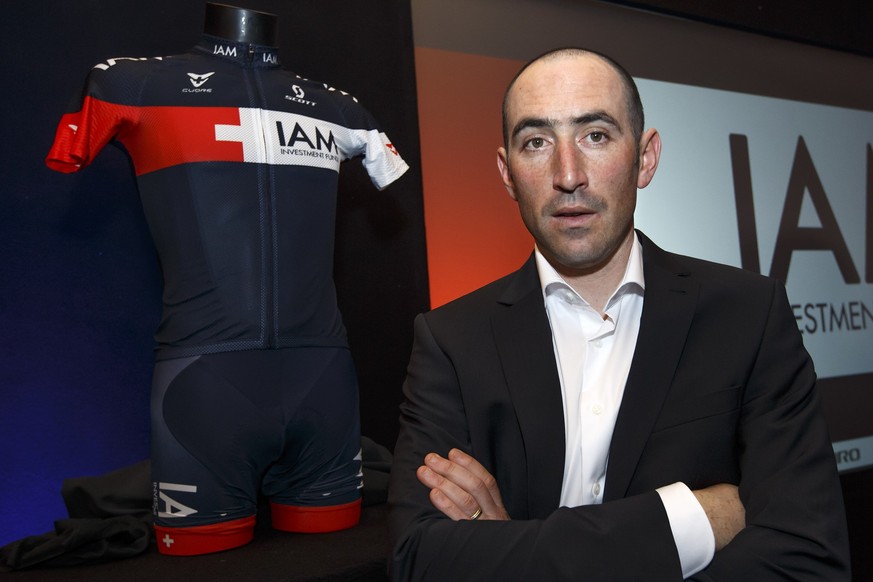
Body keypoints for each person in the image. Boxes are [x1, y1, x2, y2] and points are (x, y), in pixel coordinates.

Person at [387, 47, 850, 580]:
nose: (568, 174)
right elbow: (419, 560)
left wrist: (507, 545)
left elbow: (807, 557)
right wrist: (691, 520)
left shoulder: (748, 315)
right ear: (508, 173)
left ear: (645, 158)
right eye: (536, 142)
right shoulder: (450, 340)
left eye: (596, 135)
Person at [45, 3, 408, 556]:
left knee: (335, 564)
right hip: (205, 387)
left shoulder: (341, 108)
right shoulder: (129, 83)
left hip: (324, 383)